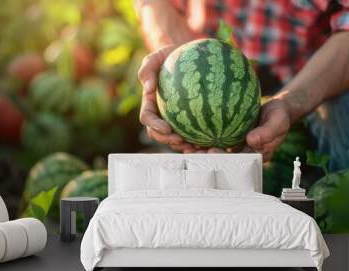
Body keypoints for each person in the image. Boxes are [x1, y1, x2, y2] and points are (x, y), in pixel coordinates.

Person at [134, 0, 349, 171]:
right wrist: (173, 69)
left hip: (313, 74)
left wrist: (292, 102)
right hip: (203, 72)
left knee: (341, 144)